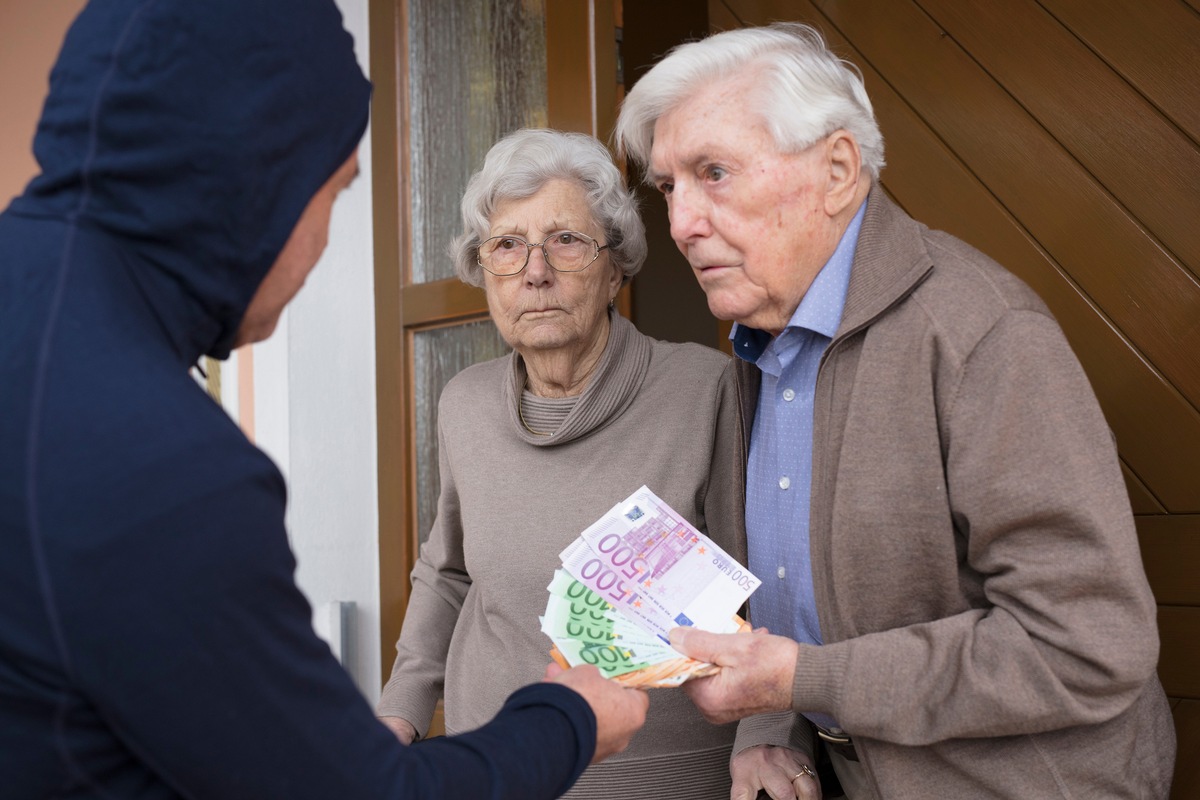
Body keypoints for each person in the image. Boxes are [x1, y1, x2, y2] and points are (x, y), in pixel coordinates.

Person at [0, 1, 649, 797]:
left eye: (564, 243)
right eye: (337, 194)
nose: (322, 249)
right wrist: (568, 716)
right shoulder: (158, 465)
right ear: (261, 179)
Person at [614, 21, 1176, 800]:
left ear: (839, 169)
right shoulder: (755, 350)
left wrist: (803, 680)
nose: (679, 224)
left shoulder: (982, 334)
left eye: (714, 172)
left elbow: (1087, 645)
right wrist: (770, 729)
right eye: (669, 186)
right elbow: (780, 590)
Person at [375, 127, 746, 799]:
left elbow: (766, 586)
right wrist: (398, 707)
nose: (535, 271)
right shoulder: (465, 404)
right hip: (495, 766)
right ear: (484, 271)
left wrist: (770, 738)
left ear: (614, 267)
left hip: (665, 777)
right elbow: (448, 571)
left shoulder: (704, 391)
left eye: (566, 242)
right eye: (507, 246)